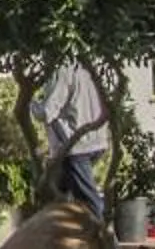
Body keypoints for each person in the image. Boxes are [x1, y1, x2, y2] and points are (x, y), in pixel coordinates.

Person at [38, 59, 109, 223]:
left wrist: (30, 106)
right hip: (97, 141)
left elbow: (49, 111)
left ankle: (106, 242)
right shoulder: (92, 64)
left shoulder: (63, 70)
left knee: (89, 201)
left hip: (76, 147)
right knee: (63, 196)